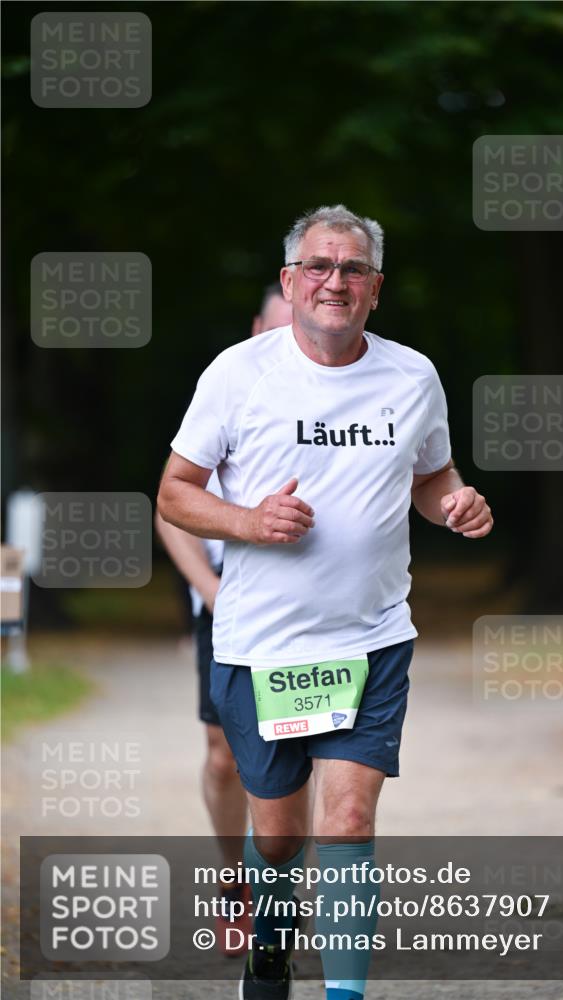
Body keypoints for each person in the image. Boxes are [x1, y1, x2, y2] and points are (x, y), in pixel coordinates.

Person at [157, 205, 493, 999]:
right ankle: (266, 962)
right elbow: (174, 493)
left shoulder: (412, 376)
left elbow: (430, 476)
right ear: (289, 281)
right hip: (262, 646)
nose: (333, 281)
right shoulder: (237, 373)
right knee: (278, 839)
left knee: (345, 824)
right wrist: (246, 521)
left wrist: (454, 503)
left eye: (350, 270)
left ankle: (345, 995)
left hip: (370, 638)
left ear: (375, 289)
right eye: (317, 266)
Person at [154, 282, 292, 955]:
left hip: (305, 610)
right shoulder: (231, 384)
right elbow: (170, 505)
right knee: (223, 756)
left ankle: (280, 890)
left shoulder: (343, 391)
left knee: (300, 750)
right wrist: (209, 587)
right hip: (229, 604)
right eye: (281, 326)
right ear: (257, 325)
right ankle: (234, 883)